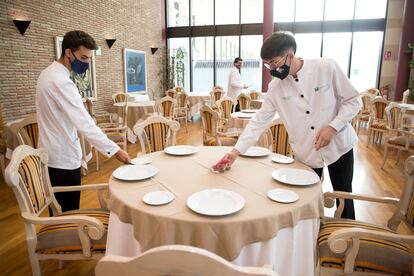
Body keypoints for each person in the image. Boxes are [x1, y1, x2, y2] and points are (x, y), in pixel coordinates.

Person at [214, 31, 361, 219]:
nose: (271, 69)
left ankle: (348, 239)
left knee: (344, 195)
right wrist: (236, 151)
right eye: (267, 65)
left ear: (290, 56)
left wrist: (333, 127)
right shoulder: (276, 87)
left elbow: (354, 101)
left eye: (274, 63)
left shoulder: (326, 67)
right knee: (305, 199)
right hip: (306, 151)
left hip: (340, 145)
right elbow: (259, 120)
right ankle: (311, 234)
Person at [36, 30, 131, 212]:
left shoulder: (47, 74)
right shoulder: (60, 81)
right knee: (68, 214)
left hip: (52, 153)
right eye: (83, 57)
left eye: (89, 59)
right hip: (62, 159)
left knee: (59, 213)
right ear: (68, 53)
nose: (86, 63)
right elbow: (85, 123)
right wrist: (116, 150)